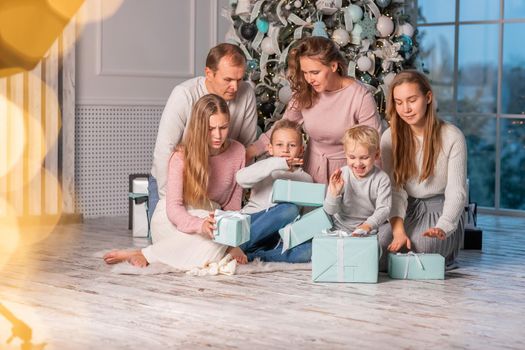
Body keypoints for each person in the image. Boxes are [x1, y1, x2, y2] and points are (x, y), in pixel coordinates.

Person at [104, 94, 247, 269]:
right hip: (173, 220)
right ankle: (150, 253)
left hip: (212, 220)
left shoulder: (238, 151)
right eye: (210, 129)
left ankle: (147, 253)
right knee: (213, 242)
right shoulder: (181, 156)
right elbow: (174, 209)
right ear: (199, 127)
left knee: (216, 233)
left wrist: (233, 244)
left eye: (223, 127)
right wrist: (199, 225)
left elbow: (233, 207)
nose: (218, 135)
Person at [246, 36, 382, 184]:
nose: (309, 79)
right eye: (305, 72)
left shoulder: (360, 97)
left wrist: (373, 189)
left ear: (333, 66)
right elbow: (283, 126)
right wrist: (252, 150)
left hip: (348, 173)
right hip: (310, 169)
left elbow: (374, 146)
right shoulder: (306, 91)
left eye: (315, 72)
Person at [149, 43, 257, 218]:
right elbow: (164, 151)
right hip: (175, 181)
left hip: (219, 183)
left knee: (218, 240)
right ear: (209, 73)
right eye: (228, 80)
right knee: (169, 239)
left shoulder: (246, 93)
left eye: (239, 79)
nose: (235, 87)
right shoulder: (184, 94)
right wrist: (171, 206)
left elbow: (246, 149)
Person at [379, 70, 467, 269]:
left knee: (423, 245)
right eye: (399, 102)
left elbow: (457, 192)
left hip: (440, 210)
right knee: (381, 246)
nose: (406, 109)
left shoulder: (452, 136)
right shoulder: (389, 138)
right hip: (405, 209)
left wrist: (443, 226)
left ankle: (448, 253)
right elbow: (395, 189)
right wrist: (398, 231)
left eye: (412, 100)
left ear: (428, 98)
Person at [236, 119, 313, 263]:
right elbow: (240, 178)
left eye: (292, 145)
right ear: (270, 149)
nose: (285, 150)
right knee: (289, 209)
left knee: (310, 250)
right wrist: (279, 163)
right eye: (279, 145)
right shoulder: (265, 168)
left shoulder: (306, 179)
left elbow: (306, 217)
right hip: (251, 226)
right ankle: (238, 245)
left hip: (275, 237)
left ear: (301, 150)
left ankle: (253, 256)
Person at [323, 125, 391, 237]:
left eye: (364, 158)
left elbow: (384, 209)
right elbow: (330, 211)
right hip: (340, 227)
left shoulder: (382, 179)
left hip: (370, 229)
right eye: (352, 157)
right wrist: (334, 194)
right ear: (346, 155)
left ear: (377, 155)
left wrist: (368, 225)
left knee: (388, 232)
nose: (358, 163)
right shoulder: (342, 175)